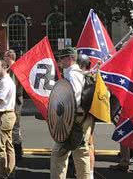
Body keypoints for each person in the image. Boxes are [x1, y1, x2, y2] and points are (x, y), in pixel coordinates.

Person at [50, 47, 92, 179]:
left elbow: (73, 98)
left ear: (70, 58)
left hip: (73, 121)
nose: (59, 61)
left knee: (59, 154)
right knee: (81, 154)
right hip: (79, 119)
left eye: (61, 58)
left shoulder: (73, 74)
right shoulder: (76, 73)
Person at [0, 60, 17, 179]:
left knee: (0, 147)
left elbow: (0, 99)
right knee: (8, 146)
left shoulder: (4, 82)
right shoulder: (5, 81)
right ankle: (10, 172)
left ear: (5, 68)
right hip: (8, 114)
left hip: (4, 115)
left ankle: (2, 175)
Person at [4, 49, 24, 161]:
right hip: (14, 99)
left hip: (15, 100)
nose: (3, 58)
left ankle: (17, 150)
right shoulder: (12, 68)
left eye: (5, 56)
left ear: (9, 57)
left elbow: (12, 85)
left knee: (15, 125)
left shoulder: (14, 69)